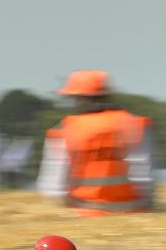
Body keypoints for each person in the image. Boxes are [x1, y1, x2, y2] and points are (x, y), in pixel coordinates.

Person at [37, 70, 156, 214]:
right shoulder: (134, 123)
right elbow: (145, 176)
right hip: (133, 212)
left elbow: (53, 187)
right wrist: (148, 208)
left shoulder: (65, 129)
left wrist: (66, 210)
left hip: (86, 213)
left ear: (83, 99)